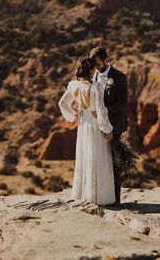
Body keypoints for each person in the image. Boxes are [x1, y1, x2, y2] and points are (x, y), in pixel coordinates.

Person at [58, 57, 116, 206]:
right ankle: (98, 197)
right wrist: (107, 129)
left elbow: (62, 103)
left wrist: (74, 114)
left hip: (83, 124)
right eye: (93, 68)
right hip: (95, 124)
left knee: (85, 156)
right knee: (98, 157)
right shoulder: (96, 86)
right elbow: (101, 110)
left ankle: (84, 194)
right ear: (90, 70)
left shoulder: (72, 85)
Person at [90, 47, 128, 206]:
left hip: (114, 125)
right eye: (94, 64)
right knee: (99, 160)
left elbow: (122, 104)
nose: (96, 67)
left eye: (98, 63)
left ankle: (116, 200)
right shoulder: (92, 77)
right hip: (97, 125)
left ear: (106, 60)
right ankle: (101, 197)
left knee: (114, 162)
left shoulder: (119, 77)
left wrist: (103, 110)